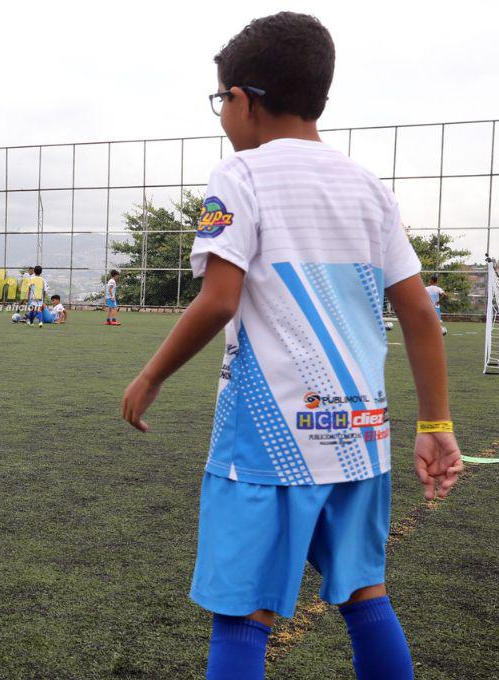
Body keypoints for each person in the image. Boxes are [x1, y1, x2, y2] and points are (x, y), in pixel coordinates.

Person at [120, 14, 462, 679]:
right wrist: (436, 425)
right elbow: (419, 311)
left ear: (244, 99)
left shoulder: (238, 178)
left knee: (244, 617)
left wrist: (151, 376)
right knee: (366, 597)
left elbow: (219, 299)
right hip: (360, 435)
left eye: (222, 100)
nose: (222, 115)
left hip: (269, 439)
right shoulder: (370, 189)